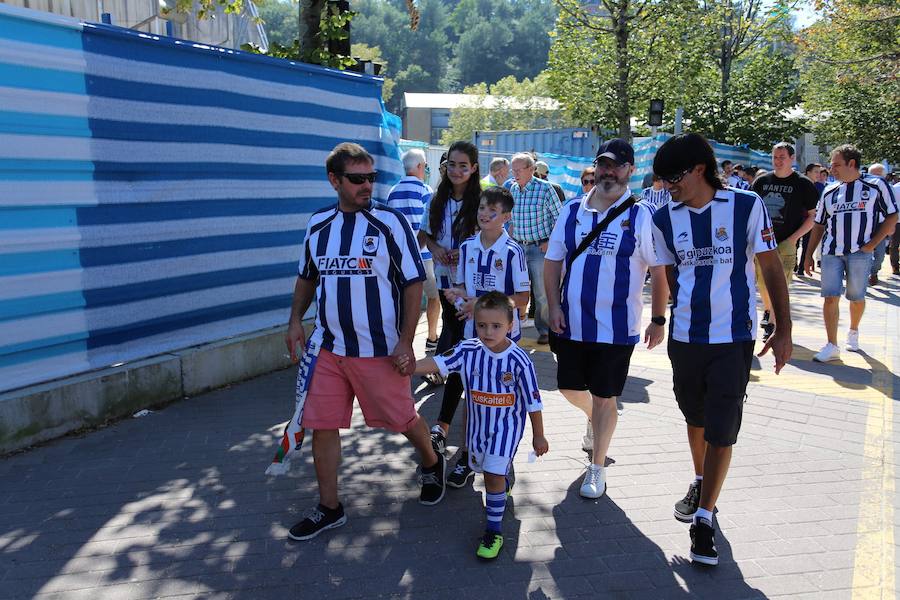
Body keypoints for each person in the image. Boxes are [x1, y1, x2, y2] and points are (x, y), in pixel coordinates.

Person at [284, 142, 446, 541]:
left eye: (371, 178)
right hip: (329, 348)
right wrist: (294, 322)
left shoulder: (390, 224)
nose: (367, 186)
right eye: (357, 179)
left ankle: (430, 461)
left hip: (380, 350)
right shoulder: (318, 224)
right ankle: (329, 507)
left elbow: (412, 285)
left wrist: (407, 341)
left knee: (403, 420)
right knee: (321, 425)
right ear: (334, 180)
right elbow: (307, 276)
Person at [650, 133, 792, 566]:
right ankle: (700, 478)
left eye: (673, 177)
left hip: (734, 339)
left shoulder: (747, 206)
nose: (667, 186)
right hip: (686, 337)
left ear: (698, 169)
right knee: (695, 418)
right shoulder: (663, 218)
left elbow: (769, 266)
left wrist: (784, 327)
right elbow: (668, 274)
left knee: (722, 427)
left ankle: (705, 518)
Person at [544, 138, 669, 498]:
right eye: (603, 164)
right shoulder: (571, 211)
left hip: (617, 327)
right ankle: (596, 420)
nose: (607, 172)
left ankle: (596, 466)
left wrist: (658, 319)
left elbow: (658, 271)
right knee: (569, 387)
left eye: (616, 166)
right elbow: (553, 262)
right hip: (571, 321)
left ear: (630, 171)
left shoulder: (641, 215)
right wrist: (552, 306)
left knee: (605, 396)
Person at [398, 292, 548, 560]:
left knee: (491, 475)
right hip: (476, 430)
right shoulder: (468, 350)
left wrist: (539, 436)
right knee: (486, 472)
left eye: (496, 326)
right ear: (474, 323)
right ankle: (502, 483)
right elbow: (439, 362)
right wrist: (410, 367)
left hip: (506, 429)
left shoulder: (520, 360)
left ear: (510, 325)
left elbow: (533, 402)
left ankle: (494, 532)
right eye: (482, 325)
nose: (488, 332)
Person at [440, 186, 531, 487]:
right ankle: (468, 456)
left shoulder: (513, 251)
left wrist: (477, 304)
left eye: (492, 211)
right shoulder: (466, 247)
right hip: (472, 338)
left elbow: (522, 297)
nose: (484, 215)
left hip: (504, 343)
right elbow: (464, 291)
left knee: (503, 400)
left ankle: (502, 461)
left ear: (505, 217)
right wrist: (457, 297)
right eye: (481, 209)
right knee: (472, 397)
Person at [804, 145, 898, 362]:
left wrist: (872, 244)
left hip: (860, 253)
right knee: (830, 297)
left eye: (836, 164)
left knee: (856, 297)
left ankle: (853, 331)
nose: (831, 169)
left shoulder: (875, 185)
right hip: (830, 252)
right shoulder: (829, 190)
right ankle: (831, 344)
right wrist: (809, 255)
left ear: (852, 164)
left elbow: (892, 215)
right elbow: (818, 225)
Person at [421, 141, 482, 452]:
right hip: (447, 285)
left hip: (476, 288)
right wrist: (437, 250)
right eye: (452, 165)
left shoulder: (482, 201)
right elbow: (425, 234)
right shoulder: (437, 199)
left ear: (473, 168)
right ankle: (448, 425)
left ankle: (448, 425)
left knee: (462, 347)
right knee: (459, 344)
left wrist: (467, 251)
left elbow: (494, 236)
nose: (457, 171)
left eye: (463, 165)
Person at [751, 142, 819, 342]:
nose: (778, 161)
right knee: (762, 284)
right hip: (761, 243)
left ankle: (772, 323)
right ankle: (769, 311)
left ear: (792, 159)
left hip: (786, 244)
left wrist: (792, 240)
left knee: (780, 285)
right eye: (775, 157)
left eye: (782, 157)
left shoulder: (803, 183)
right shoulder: (761, 182)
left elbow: (813, 217)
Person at [387, 149, 440, 352]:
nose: (425, 169)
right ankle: (432, 339)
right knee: (434, 297)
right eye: (425, 165)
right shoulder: (425, 191)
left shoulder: (392, 192)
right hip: (424, 255)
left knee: (406, 301)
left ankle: (402, 340)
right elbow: (431, 225)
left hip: (400, 258)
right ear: (419, 167)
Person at [508, 152, 563, 345]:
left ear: (531, 170)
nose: (514, 173)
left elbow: (560, 218)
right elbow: (512, 221)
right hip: (518, 249)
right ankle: (511, 328)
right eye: (513, 169)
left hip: (540, 248)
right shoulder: (512, 189)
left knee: (541, 292)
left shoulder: (546, 189)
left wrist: (551, 242)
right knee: (515, 289)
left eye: (518, 169)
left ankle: (545, 330)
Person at [865, 163, 890, 285]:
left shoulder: (889, 190)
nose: (876, 179)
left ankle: (873, 272)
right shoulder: (861, 189)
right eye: (874, 175)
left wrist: (891, 226)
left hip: (881, 226)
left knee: (880, 254)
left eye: (880, 176)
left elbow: (893, 211)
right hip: (864, 226)